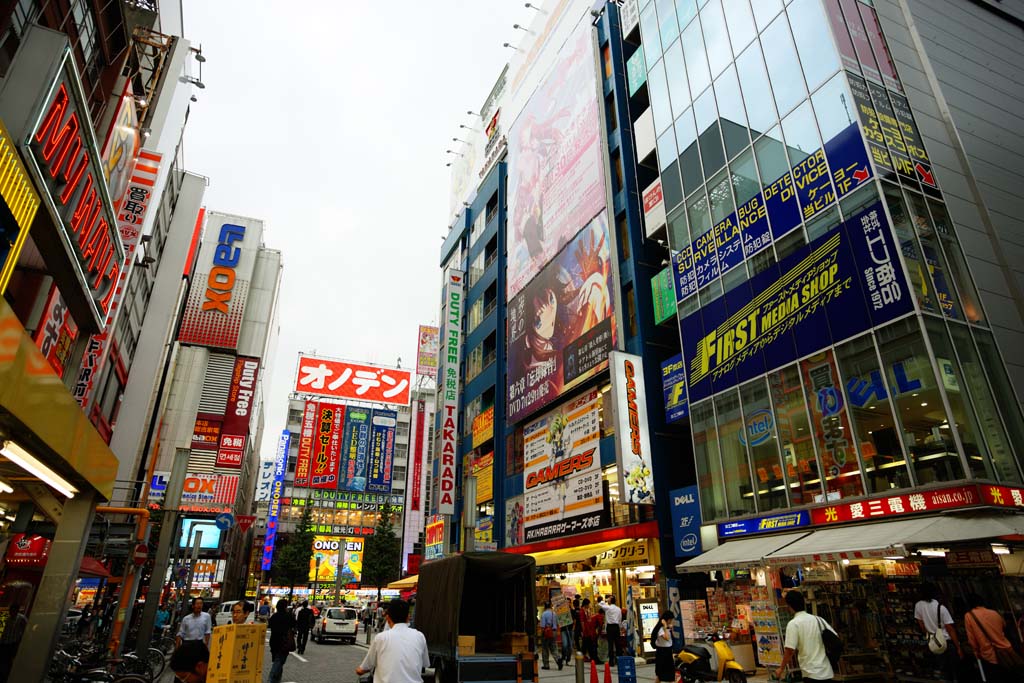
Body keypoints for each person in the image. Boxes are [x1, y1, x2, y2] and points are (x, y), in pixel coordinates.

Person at [356, 599, 429, 683]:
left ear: (388, 617)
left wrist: (359, 670)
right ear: (408, 617)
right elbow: (424, 664)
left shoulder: (381, 638)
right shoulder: (419, 636)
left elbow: (363, 668)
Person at [774, 590, 836, 683]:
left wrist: (781, 669)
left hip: (810, 673)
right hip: (826, 671)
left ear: (789, 606)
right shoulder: (819, 619)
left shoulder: (793, 624)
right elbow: (835, 637)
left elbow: (789, 650)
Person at [914, 582, 962, 679]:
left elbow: (922, 626)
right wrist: (958, 647)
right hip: (947, 642)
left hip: (934, 642)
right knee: (954, 671)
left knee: (941, 670)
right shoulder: (941, 607)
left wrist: (930, 634)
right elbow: (950, 629)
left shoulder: (918, 606)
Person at [964, 593, 1014, 680]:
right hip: (1006, 653)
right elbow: (1004, 626)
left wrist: (976, 653)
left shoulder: (969, 616)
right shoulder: (994, 613)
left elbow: (972, 640)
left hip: (989, 655)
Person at [268, 599, 296, 683]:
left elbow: (270, 625)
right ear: (285, 607)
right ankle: (271, 680)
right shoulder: (288, 616)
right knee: (279, 662)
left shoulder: (274, 616)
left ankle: (277, 680)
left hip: (273, 641)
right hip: (284, 642)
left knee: (278, 661)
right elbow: (294, 624)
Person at [0, 603, 28, 683]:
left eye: (12, 610)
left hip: (13, 643)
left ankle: (6, 676)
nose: (11, 612)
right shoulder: (9, 619)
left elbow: (25, 630)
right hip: (5, 642)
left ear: (16, 610)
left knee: (8, 660)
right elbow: (6, 631)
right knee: (3, 659)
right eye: (10, 610)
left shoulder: (21, 618)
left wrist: (20, 641)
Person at [650, 611, 676, 683]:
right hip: (662, 653)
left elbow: (671, 639)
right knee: (660, 675)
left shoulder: (667, 627)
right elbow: (667, 638)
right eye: (670, 620)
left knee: (670, 675)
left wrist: (670, 628)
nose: (671, 621)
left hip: (668, 651)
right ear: (666, 619)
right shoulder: (660, 629)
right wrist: (665, 627)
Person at [598, 595, 623, 666]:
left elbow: (600, 603)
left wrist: (605, 600)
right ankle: (619, 661)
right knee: (618, 644)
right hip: (616, 627)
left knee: (610, 644)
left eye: (609, 599)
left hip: (610, 628)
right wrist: (620, 627)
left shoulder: (607, 608)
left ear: (610, 601)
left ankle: (611, 662)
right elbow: (620, 619)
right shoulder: (618, 609)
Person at [579, 599, 601, 664]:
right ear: (586, 604)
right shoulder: (582, 611)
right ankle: (593, 658)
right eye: (589, 604)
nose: (589, 605)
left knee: (587, 646)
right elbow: (582, 622)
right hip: (586, 631)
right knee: (589, 645)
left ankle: (592, 658)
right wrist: (583, 631)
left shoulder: (587, 610)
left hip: (589, 630)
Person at [540, 602, 559, 670]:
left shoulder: (544, 614)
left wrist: (542, 634)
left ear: (545, 606)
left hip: (546, 632)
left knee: (545, 649)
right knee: (554, 647)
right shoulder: (554, 613)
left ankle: (546, 665)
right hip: (553, 632)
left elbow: (542, 626)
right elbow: (557, 624)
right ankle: (558, 660)